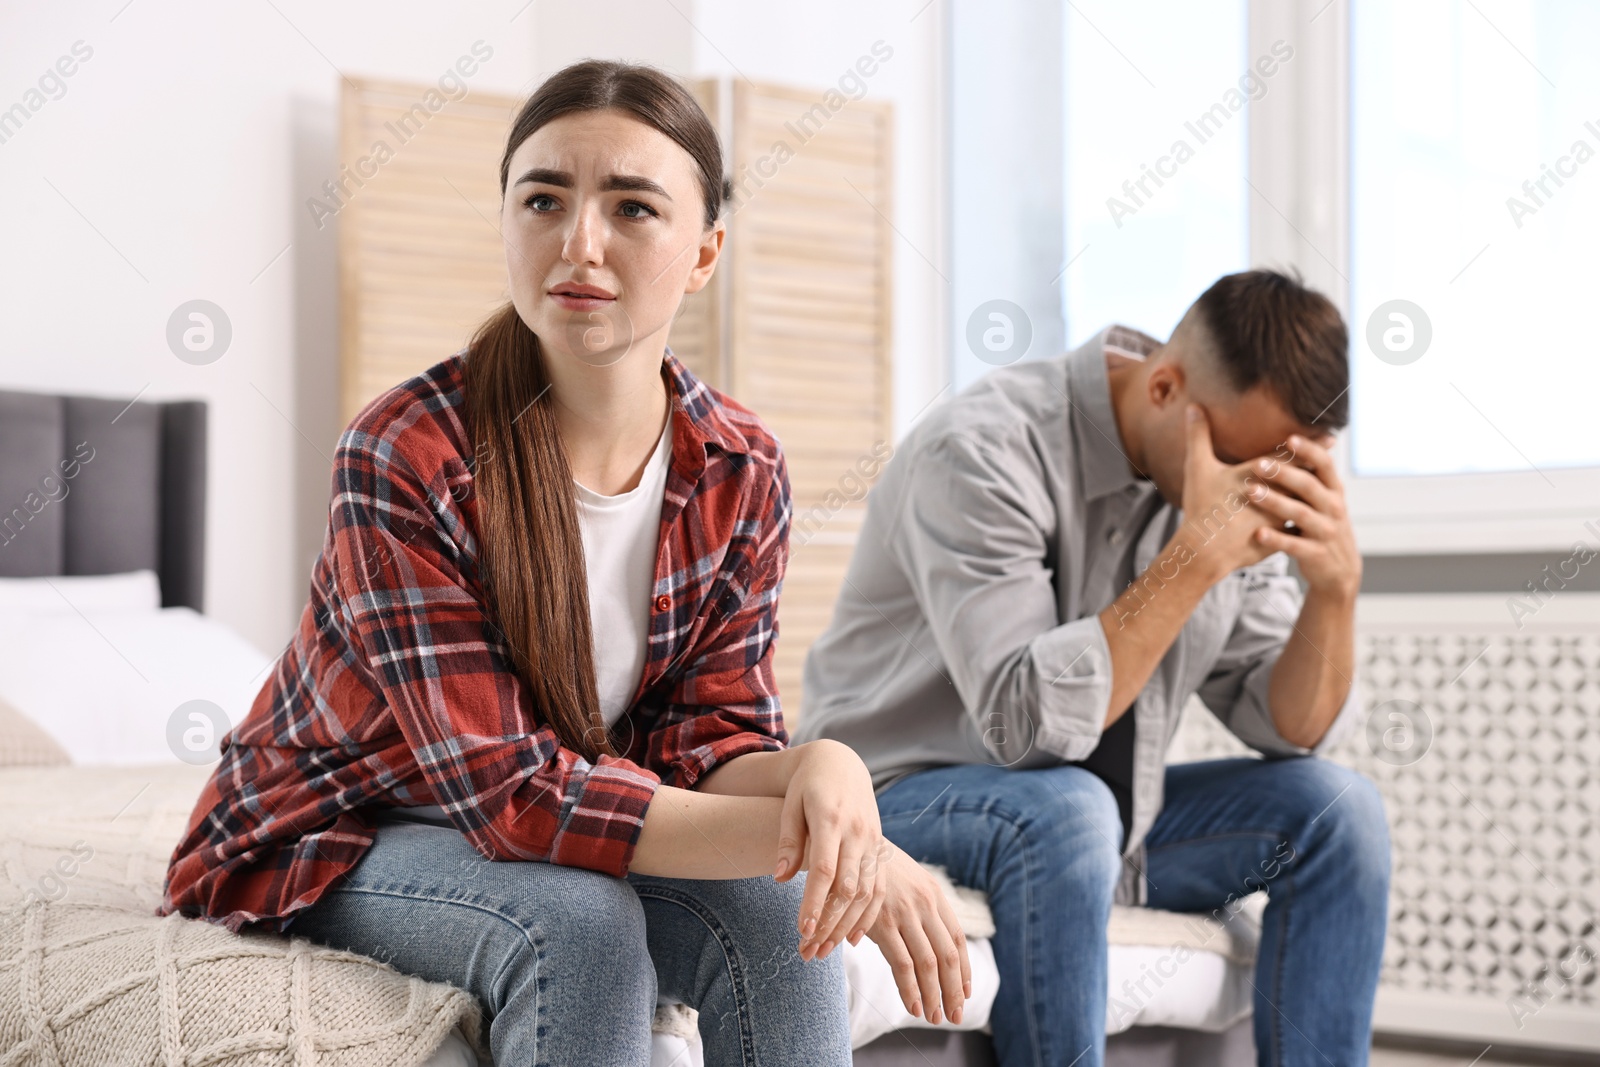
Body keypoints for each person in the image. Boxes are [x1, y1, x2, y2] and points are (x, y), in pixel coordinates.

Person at [161, 60, 969, 1066]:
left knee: (782, 916)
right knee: (581, 925)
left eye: (633, 207)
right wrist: (845, 854)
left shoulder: (740, 464)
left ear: (706, 251)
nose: (579, 242)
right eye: (543, 198)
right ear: (505, 218)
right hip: (339, 830)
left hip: (555, 810)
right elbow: (513, 795)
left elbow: (705, 741)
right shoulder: (406, 451)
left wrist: (826, 773)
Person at [795, 270, 1391, 1067]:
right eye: (1248, 466)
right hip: (897, 796)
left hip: (1109, 822)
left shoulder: (1232, 478)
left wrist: (1335, 590)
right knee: (1069, 808)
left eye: (1286, 473)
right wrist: (1191, 560)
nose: (1260, 497)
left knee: (1338, 812)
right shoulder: (980, 451)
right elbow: (1022, 727)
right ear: (1166, 387)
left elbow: (1289, 726)